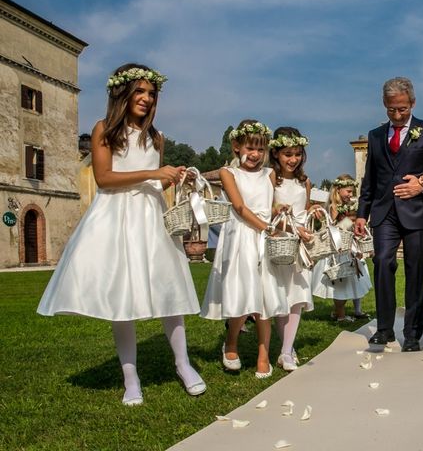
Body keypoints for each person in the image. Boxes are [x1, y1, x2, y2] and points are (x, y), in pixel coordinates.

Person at [37, 63, 205, 405]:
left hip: (151, 215)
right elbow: (105, 178)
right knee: (121, 298)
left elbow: (153, 181)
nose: (145, 98)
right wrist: (154, 172)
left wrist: (170, 177)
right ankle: (131, 379)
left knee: (169, 290)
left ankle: (183, 364)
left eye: (151, 93)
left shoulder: (156, 137)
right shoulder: (104, 130)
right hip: (116, 215)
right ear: (122, 94)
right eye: (139, 91)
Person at [354, 77, 423, 352]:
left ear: (412, 103)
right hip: (384, 213)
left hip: (419, 211)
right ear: (385, 105)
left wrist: (422, 184)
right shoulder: (375, 136)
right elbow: (369, 178)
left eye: (403, 109)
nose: (397, 115)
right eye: (392, 109)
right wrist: (362, 213)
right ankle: (384, 330)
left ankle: (413, 334)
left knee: (417, 272)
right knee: (382, 262)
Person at [200, 119, 287, 379]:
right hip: (241, 236)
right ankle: (231, 343)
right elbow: (239, 207)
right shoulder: (229, 173)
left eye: (260, 149)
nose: (255, 154)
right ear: (237, 146)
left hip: (264, 235)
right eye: (250, 148)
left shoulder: (269, 174)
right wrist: (264, 226)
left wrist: (277, 211)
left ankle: (263, 355)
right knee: (241, 293)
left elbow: (268, 204)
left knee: (264, 297)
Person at [268, 127, 316, 372]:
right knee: (281, 298)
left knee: (296, 298)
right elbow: (266, 211)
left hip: (299, 243)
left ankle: (286, 350)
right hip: (278, 241)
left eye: (297, 154)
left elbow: (304, 210)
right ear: (276, 153)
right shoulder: (269, 178)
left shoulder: (304, 181)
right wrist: (285, 221)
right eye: (288, 154)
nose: (293, 159)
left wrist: (307, 231)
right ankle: (285, 344)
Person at [312, 175, 372, 322]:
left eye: (352, 192)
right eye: (348, 191)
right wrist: (350, 221)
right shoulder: (333, 207)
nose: (351, 195)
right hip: (339, 247)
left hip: (350, 244)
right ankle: (340, 315)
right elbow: (334, 227)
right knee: (342, 282)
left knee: (356, 279)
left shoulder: (350, 206)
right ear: (338, 190)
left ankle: (357, 310)